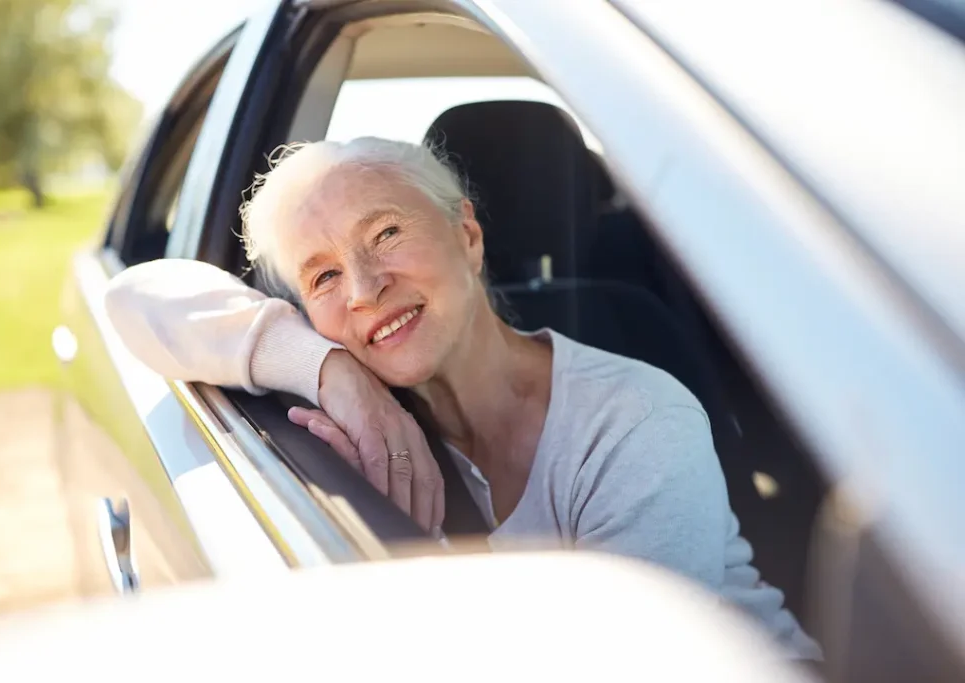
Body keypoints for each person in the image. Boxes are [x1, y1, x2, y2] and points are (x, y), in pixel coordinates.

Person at [105, 137, 822, 660]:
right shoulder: (344, 399)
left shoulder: (635, 424)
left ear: (468, 235)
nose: (363, 288)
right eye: (321, 278)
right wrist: (334, 374)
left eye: (385, 232)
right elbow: (133, 297)